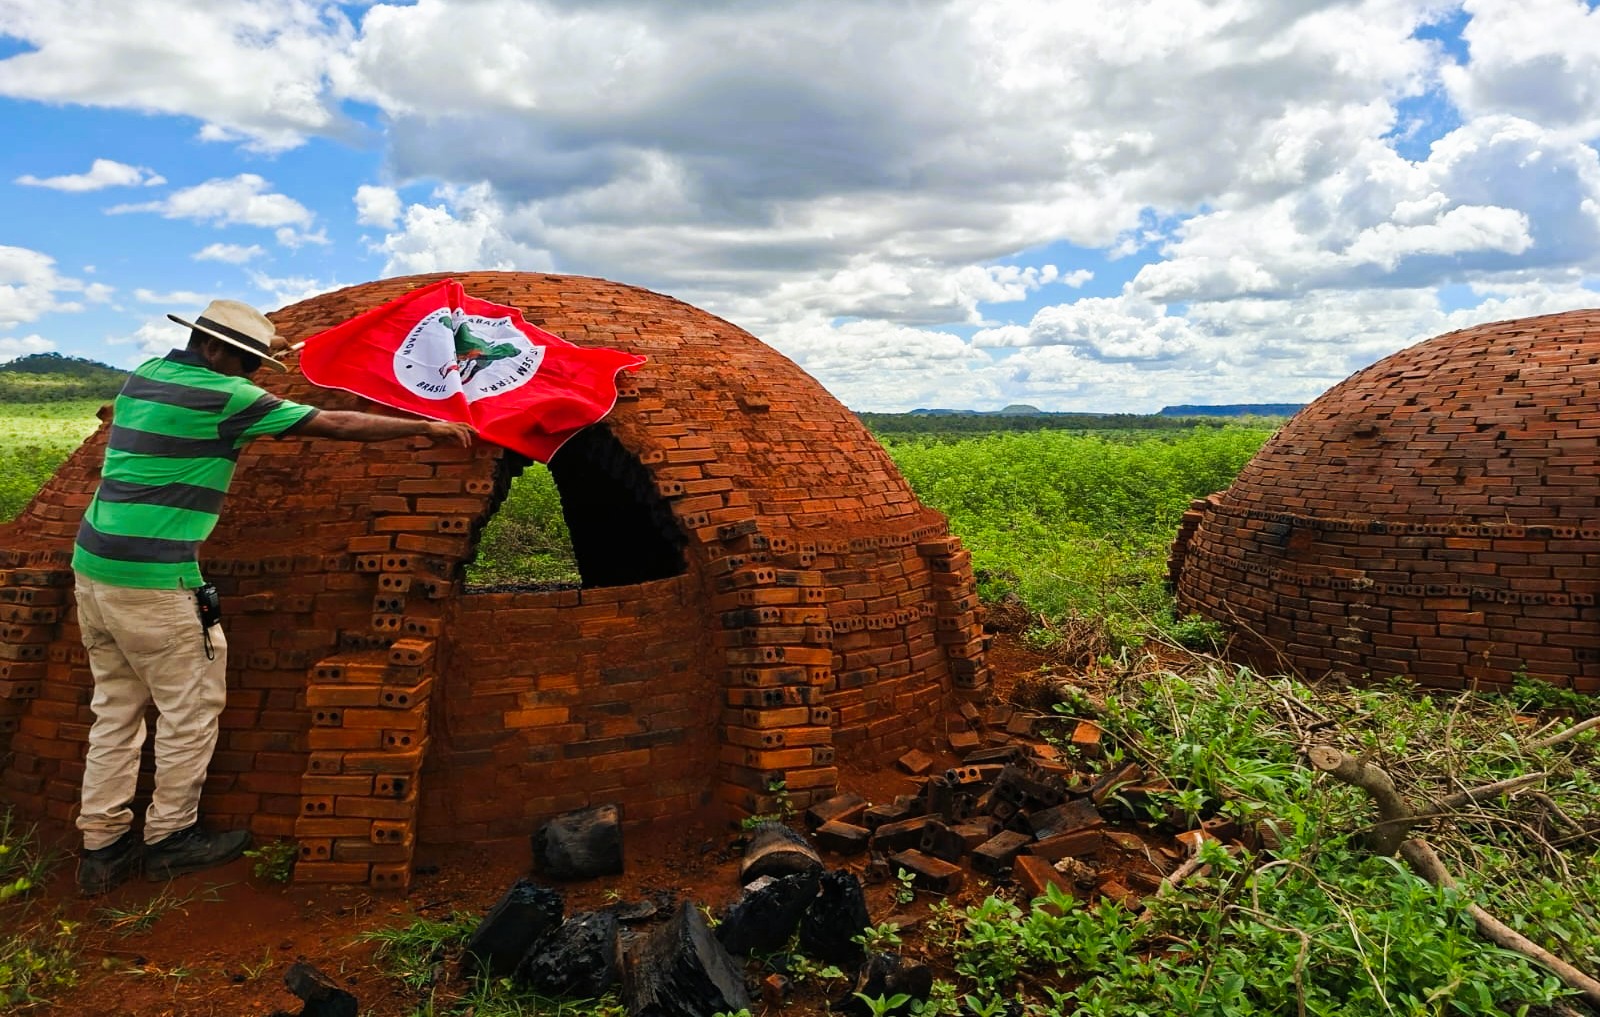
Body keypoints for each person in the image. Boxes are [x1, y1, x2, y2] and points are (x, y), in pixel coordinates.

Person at [72, 299, 474, 894]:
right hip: (157, 582)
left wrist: (270, 348)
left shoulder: (146, 375)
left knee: (115, 710)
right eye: (245, 362)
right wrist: (425, 426)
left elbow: (223, 371)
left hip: (94, 569)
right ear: (215, 350)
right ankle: (170, 839)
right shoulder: (228, 398)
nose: (250, 376)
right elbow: (336, 424)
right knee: (190, 712)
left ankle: (101, 849)